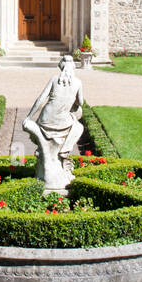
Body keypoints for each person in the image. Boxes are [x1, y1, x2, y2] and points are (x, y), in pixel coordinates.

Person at [22, 55, 86, 192]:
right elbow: (80, 103)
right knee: (78, 126)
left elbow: (41, 99)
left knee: (76, 124)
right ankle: (64, 151)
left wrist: (28, 116)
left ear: (61, 66)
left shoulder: (54, 79)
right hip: (62, 122)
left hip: (45, 120)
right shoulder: (78, 82)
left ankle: (60, 155)